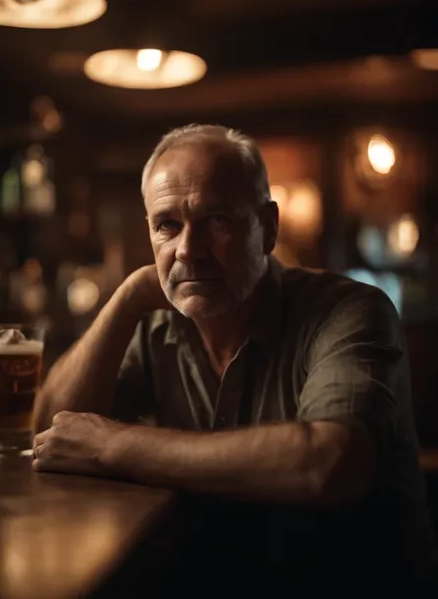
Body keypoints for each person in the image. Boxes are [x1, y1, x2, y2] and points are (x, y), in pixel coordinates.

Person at [33, 124, 437, 595]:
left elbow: (329, 464)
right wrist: (129, 296)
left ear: (268, 228)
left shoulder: (350, 310)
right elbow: (49, 433)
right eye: (167, 225)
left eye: (217, 220)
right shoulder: (156, 322)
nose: (188, 250)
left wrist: (113, 445)